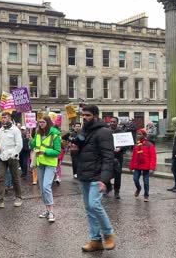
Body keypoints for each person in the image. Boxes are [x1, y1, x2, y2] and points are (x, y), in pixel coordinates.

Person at [71, 105, 115, 252]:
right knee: (89, 208)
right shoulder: (84, 130)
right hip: (84, 174)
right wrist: (75, 150)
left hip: (97, 175)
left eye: (88, 115)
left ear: (96, 115)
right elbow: (84, 152)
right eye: (83, 115)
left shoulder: (104, 131)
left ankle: (108, 234)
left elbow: (109, 157)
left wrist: (104, 179)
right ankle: (95, 240)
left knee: (94, 205)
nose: (84, 118)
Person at [28, 116, 61, 222]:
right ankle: (47, 210)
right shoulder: (38, 133)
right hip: (40, 163)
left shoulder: (55, 134)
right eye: (39, 122)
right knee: (42, 189)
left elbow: (57, 151)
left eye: (43, 122)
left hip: (50, 164)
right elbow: (33, 146)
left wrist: (45, 151)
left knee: (46, 187)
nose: (41, 124)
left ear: (48, 123)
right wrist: (30, 139)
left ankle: (51, 212)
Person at [0, 112, 23, 208]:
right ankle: (0, 200)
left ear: (9, 118)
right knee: (1, 178)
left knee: (15, 178)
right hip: (2, 156)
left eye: (5, 117)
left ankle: (18, 197)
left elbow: (19, 144)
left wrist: (14, 154)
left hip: (12, 157)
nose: (3, 119)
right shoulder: (1, 129)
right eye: (2, 117)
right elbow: (0, 141)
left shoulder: (15, 130)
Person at [129, 129, 156, 202]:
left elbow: (153, 157)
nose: (138, 135)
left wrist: (152, 168)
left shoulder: (149, 144)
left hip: (146, 166)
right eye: (137, 134)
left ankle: (146, 195)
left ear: (144, 135)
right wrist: (131, 166)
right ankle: (138, 188)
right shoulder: (136, 145)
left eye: (140, 134)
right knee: (135, 179)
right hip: (137, 165)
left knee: (146, 181)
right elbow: (134, 157)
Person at [106, 117, 126, 199]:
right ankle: (108, 187)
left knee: (118, 175)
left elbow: (127, 144)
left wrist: (120, 148)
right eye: (111, 122)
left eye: (114, 122)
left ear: (117, 123)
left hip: (118, 157)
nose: (112, 123)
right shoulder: (106, 132)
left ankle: (117, 191)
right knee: (105, 172)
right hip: (107, 156)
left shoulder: (122, 132)